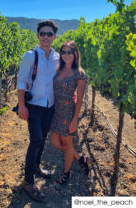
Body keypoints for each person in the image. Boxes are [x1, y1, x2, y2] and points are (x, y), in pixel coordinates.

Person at [17, 20, 59, 202]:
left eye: (49, 34)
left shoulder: (58, 57)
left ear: (54, 37)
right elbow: (21, 81)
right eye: (43, 33)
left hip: (50, 106)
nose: (46, 37)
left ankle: (36, 166)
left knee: (42, 139)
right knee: (35, 141)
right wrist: (21, 106)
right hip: (34, 106)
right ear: (37, 35)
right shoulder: (30, 55)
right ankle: (28, 182)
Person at [50, 40, 91, 185]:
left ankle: (66, 173)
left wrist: (74, 120)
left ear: (75, 54)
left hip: (68, 113)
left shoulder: (80, 74)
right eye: (64, 52)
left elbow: (79, 100)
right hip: (55, 111)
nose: (66, 55)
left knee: (67, 145)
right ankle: (80, 159)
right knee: (54, 142)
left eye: (70, 52)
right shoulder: (58, 69)